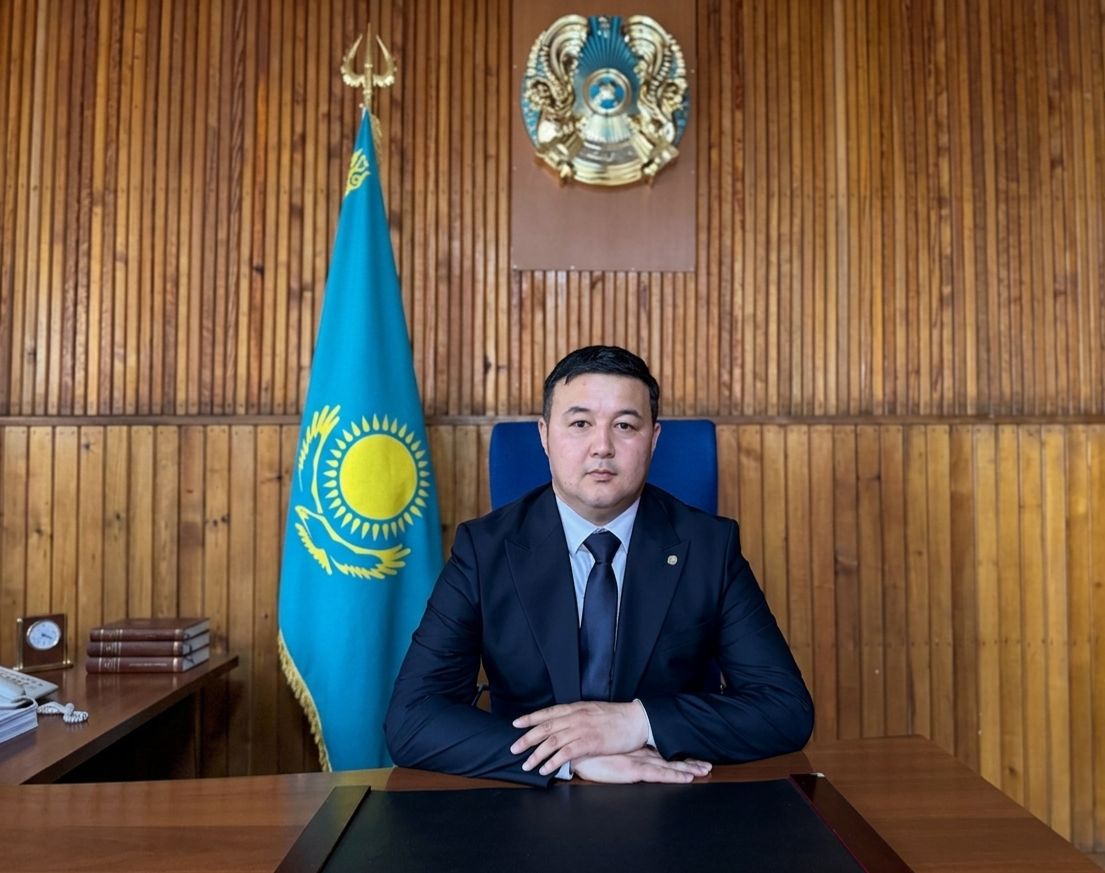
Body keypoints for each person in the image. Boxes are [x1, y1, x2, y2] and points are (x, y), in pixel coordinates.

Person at [385, 346, 813, 786]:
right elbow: (412, 719)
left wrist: (637, 722)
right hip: (528, 801)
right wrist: (568, 759)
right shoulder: (484, 550)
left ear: (654, 439)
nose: (603, 447)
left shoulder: (709, 547)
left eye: (625, 425)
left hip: (671, 792)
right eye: (580, 424)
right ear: (544, 435)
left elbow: (785, 708)